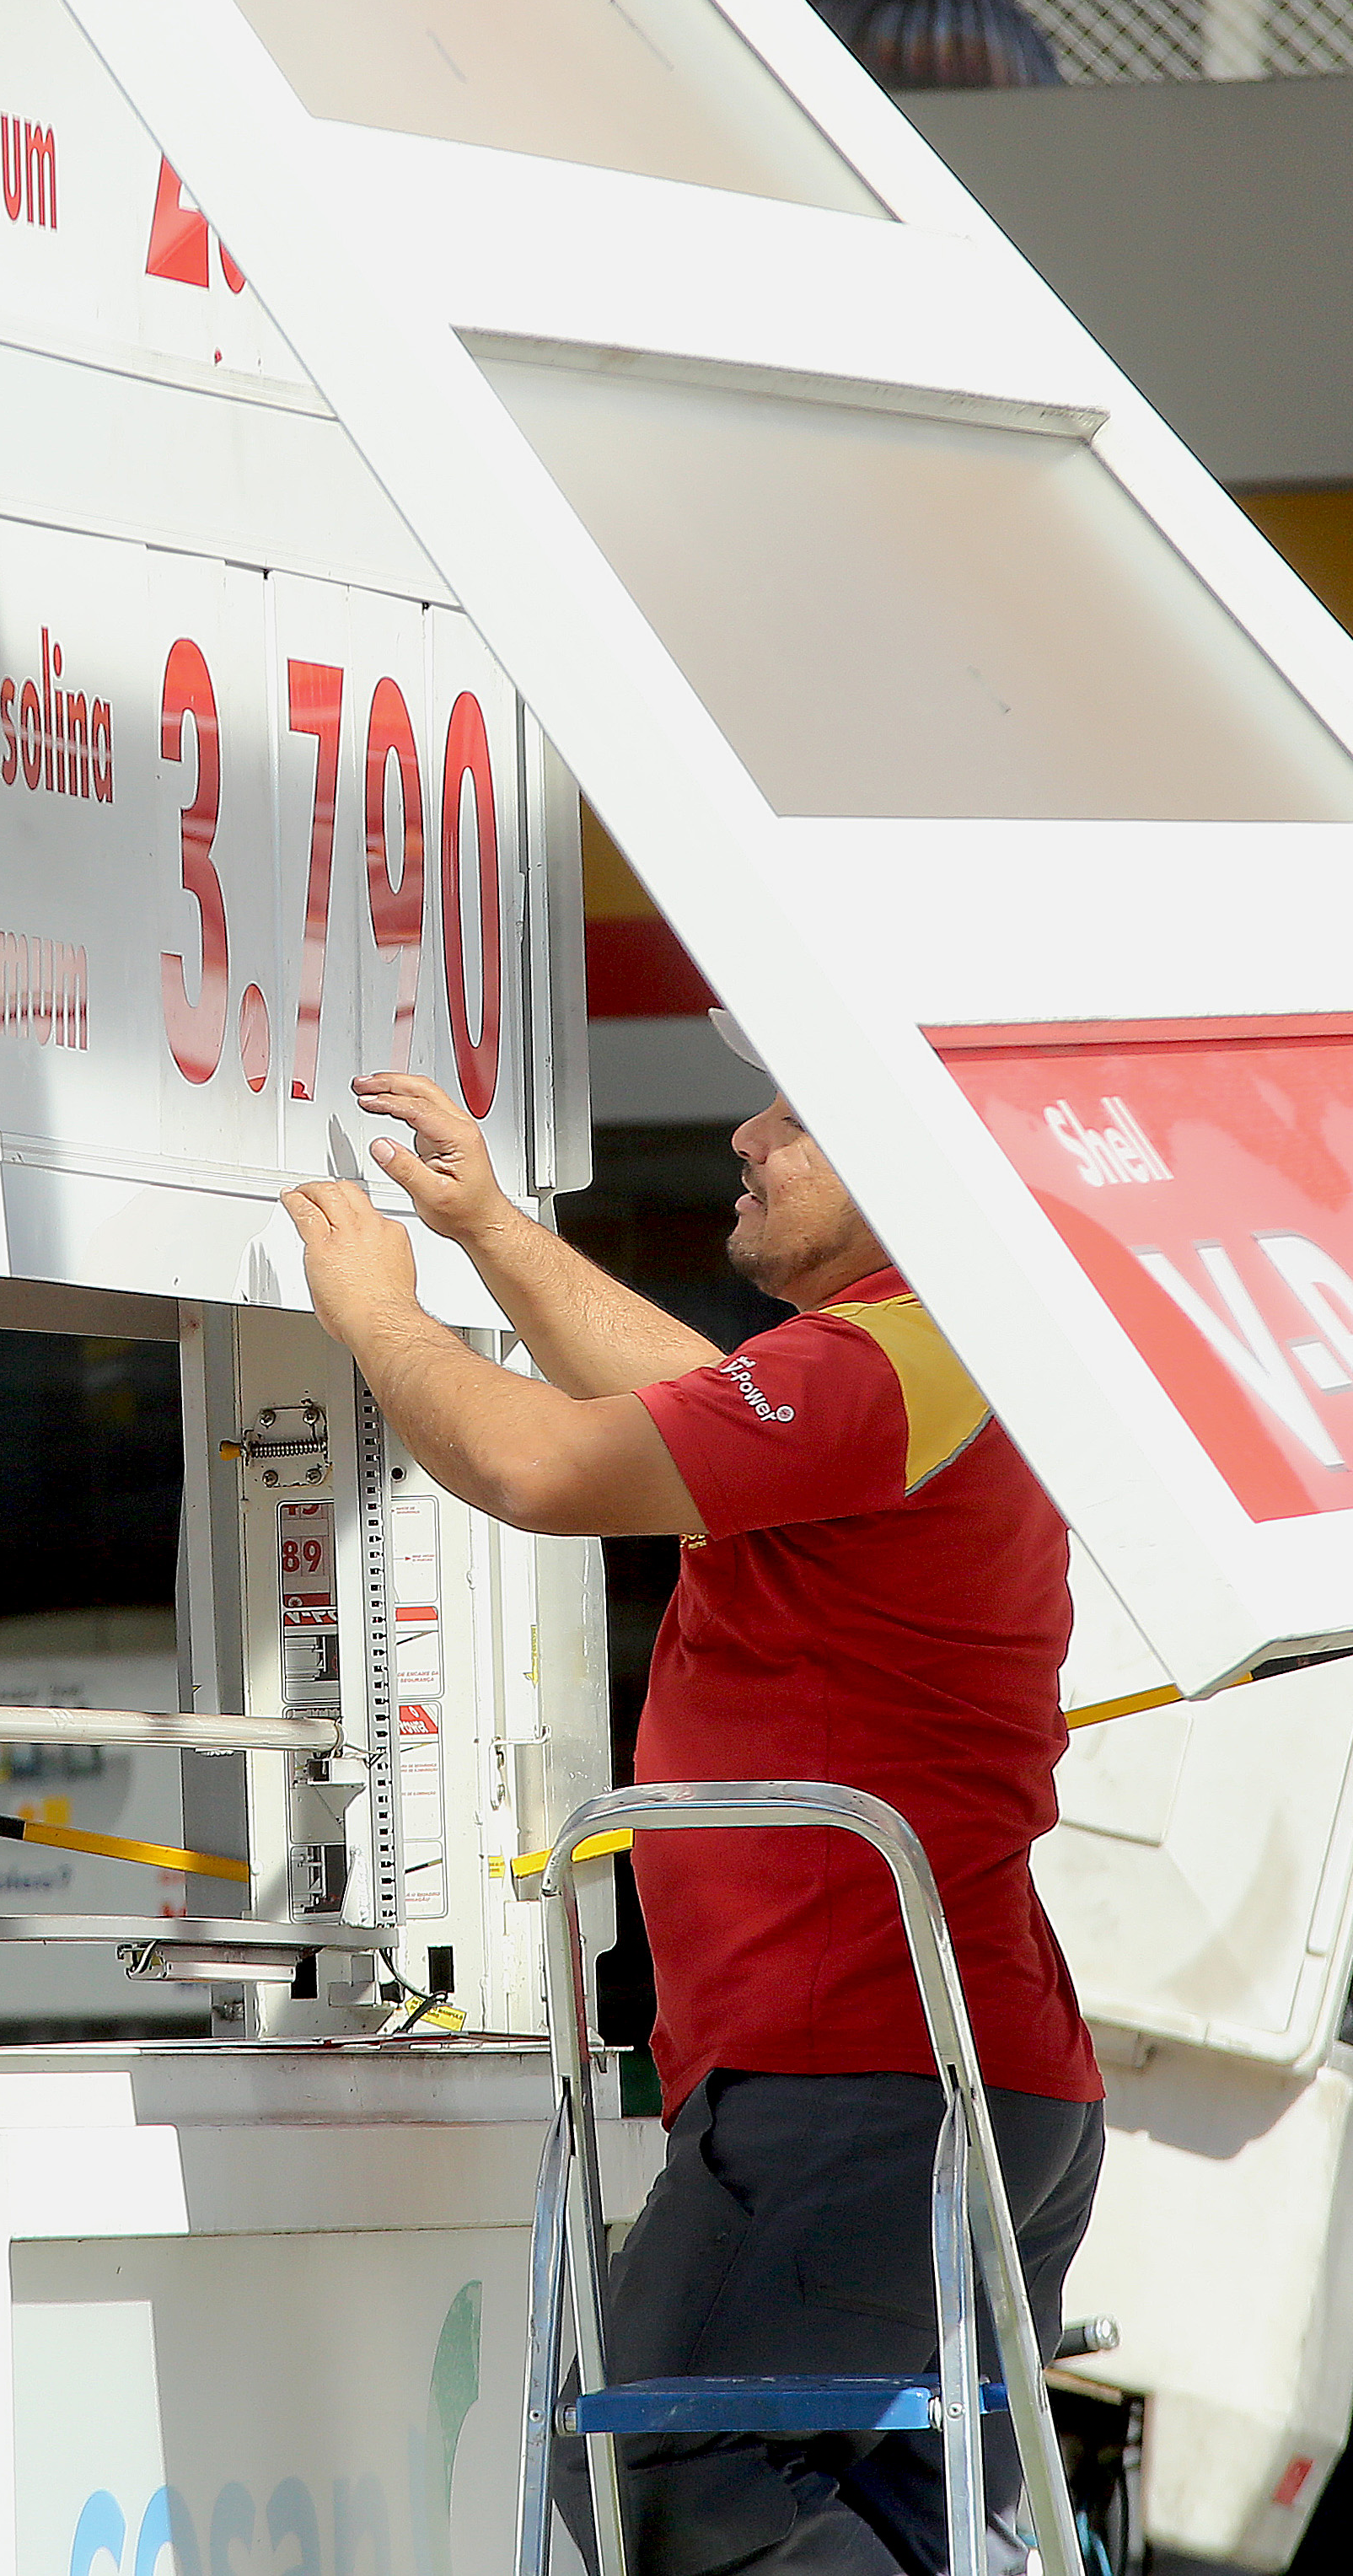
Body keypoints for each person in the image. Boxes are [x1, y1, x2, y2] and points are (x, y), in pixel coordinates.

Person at [282, 1048, 1103, 2576]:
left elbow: (536, 1461)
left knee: (665, 2477)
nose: (746, 1131)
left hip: (850, 2076)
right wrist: (490, 1231)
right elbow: (678, 1399)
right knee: (904, 2523)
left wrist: (381, 1314)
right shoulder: (925, 1358)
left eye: (795, 1110)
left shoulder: (878, 1366)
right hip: (972, 2077)